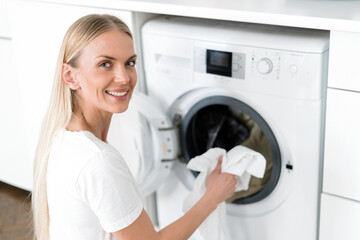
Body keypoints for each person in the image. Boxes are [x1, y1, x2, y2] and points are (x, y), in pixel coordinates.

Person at [32, 14, 237, 240]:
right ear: (70, 76)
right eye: (105, 64)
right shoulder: (98, 160)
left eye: (129, 63)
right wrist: (212, 196)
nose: (123, 78)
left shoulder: (62, 137)